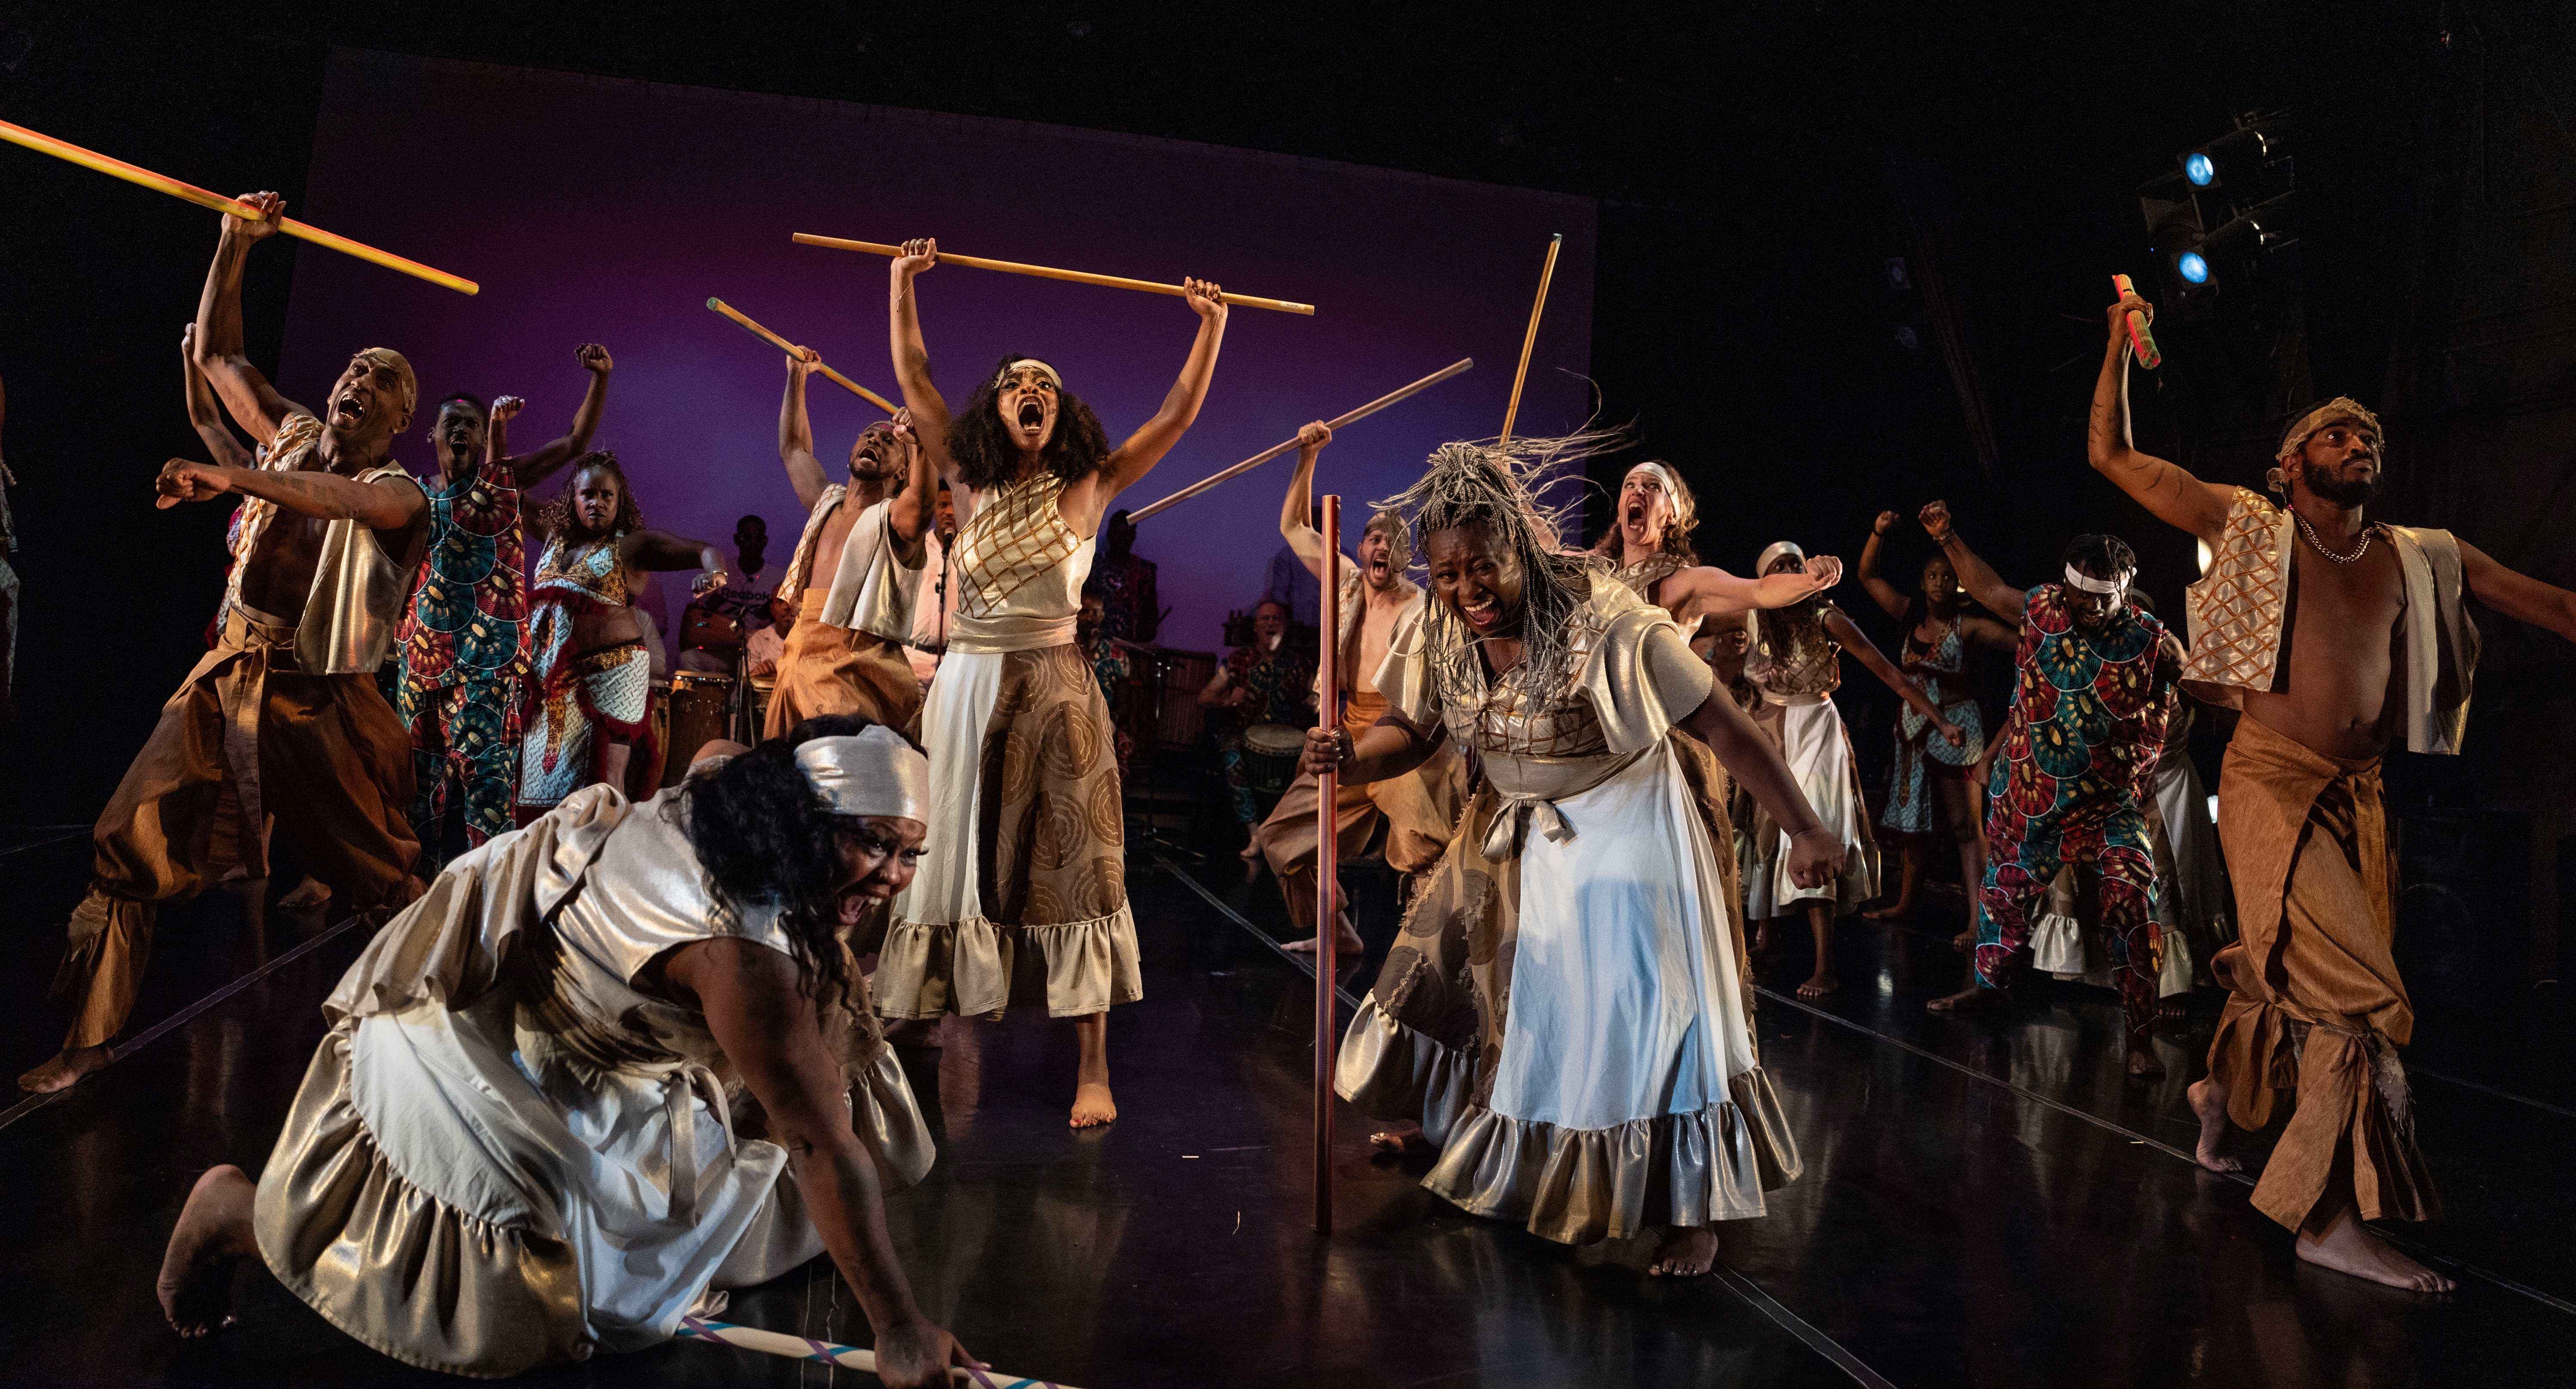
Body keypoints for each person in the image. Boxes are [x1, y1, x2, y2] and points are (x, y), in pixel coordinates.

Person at [153, 717, 970, 1386]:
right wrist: (898, 1330)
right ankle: (239, 1216)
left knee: (707, 1236)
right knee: (505, 1304)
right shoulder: (743, 961)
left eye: (909, 854)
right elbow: (818, 1143)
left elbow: (718, 750)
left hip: (606, 1053)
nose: (894, 876)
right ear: (800, 819)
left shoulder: (738, 789)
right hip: (490, 1037)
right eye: (871, 843)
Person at [2086, 290, 2576, 1291]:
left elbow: (2551, 603)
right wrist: (2114, 352)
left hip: (2356, 794)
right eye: (2337, 431)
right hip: (2267, 783)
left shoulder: (2417, 555)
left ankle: (2216, 1102)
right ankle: (2327, 1219)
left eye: (2368, 435)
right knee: (2359, 999)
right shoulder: (2250, 524)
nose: (2359, 442)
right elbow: (2116, 459)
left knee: (2288, 978)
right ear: (2288, 465)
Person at [1320, 434, 1838, 1277]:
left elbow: (1722, 725)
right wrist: (1350, 755)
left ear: (1517, 545)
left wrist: (1807, 827)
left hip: (1631, 818)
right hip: (1527, 823)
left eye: (1481, 568)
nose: (1467, 591)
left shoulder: (1607, 615)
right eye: (1448, 575)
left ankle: (1688, 1211)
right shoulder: (1441, 625)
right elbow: (1408, 732)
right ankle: (1487, 1150)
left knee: (1647, 1017)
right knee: (1528, 1009)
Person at [23, 192, 430, 1094]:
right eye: (356, 369)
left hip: (315, 702)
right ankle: (88, 1044)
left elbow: (338, 505)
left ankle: (445, 1046)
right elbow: (218, 355)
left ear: (401, 419)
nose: (360, 381)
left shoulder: (402, 493)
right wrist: (232, 244)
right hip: (225, 674)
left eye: (383, 381)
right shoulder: (291, 435)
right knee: (129, 834)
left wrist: (225, 471)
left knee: (383, 880)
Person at [872, 236, 1228, 1128]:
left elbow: (1177, 414)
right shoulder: (967, 476)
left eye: (1045, 383)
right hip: (968, 690)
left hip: (1059, 689)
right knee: (950, 856)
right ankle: (919, 1014)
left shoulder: (1094, 484)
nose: (1031, 389)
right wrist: (900, 282)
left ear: (1060, 410)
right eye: (1015, 382)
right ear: (996, 409)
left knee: (1075, 867)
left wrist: (1211, 326)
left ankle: (1093, 1068)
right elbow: (915, 377)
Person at [1921, 519, 2183, 1077]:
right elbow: (1989, 589)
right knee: (2003, 899)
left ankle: (2140, 1036)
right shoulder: (2043, 609)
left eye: (2100, 600)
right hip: (2031, 797)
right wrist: (1948, 537)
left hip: (2107, 806)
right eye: (2078, 596)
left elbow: (2198, 684)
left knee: (2136, 903)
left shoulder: (2152, 641)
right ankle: (1990, 989)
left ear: (2126, 586)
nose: (2086, 609)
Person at [395, 345, 614, 860]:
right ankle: (413, 906)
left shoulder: (503, 481)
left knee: (488, 800)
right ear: (432, 434)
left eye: (471, 424)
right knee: (415, 798)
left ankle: (484, 910)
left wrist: (599, 378)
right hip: (419, 663)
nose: (461, 431)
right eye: (451, 422)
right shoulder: (409, 493)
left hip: (487, 670)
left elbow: (576, 440)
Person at [1249, 423, 1461, 954]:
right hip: (1342, 735)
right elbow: (1293, 524)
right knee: (1283, 840)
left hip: (1400, 738)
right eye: (1374, 536)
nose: (1382, 544)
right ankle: (1339, 937)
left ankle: (1430, 954)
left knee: (1422, 846)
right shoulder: (1345, 583)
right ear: (1361, 546)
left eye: (1394, 538)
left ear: (1408, 554)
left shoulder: (1422, 607)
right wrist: (1307, 458)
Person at [1742, 541, 1957, 997]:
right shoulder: (1754, 617)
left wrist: (1939, 719)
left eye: (1794, 565)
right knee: (1767, 827)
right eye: (1776, 567)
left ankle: (1825, 965)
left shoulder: (1826, 618)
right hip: (1772, 730)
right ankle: (1767, 934)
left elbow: (1889, 672)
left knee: (1815, 825)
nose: (1787, 572)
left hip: (1816, 729)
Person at [515, 451, 729, 824]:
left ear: (620, 500)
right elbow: (502, 486)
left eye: (607, 496)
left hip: (613, 674)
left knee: (605, 781)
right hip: (553, 676)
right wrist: (499, 434)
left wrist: (715, 575)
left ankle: (608, 863)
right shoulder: (554, 537)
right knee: (545, 778)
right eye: (588, 494)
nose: (597, 502)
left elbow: (702, 550)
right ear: (574, 498)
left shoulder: (631, 545)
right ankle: (548, 862)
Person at [1856, 504, 2016, 945]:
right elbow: (1868, 577)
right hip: (1912, 729)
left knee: (1967, 826)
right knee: (1912, 821)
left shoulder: (1970, 626)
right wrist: (1878, 531)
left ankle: (1977, 918)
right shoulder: (1910, 616)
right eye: (1933, 576)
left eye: (1949, 576)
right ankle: (1907, 901)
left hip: (1960, 729)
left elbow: (2022, 640)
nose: (1941, 582)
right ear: (1923, 582)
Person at [765, 349, 936, 739]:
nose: (875, 440)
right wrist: (797, 376)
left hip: (852, 664)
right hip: (799, 650)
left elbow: (924, 503)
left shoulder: (894, 518)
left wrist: (921, 445)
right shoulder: (827, 502)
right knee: (781, 778)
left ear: (903, 468)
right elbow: (794, 448)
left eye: (888, 441)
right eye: (869, 435)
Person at [1201, 597, 1316, 831]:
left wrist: (1315, 700)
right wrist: (1227, 701)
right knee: (1232, 758)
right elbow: (1205, 697)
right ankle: (1254, 833)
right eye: (1265, 619)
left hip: (1292, 739)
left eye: (1277, 619)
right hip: (1242, 734)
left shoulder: (1301, 664)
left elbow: (1319, 697)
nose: (1271, 623)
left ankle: (1292, 833)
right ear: (1256, 626)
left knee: (1317, 762)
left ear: (1285, 626)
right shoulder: (1237, 661)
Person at [675, 516, 774, 674]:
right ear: (737, 540)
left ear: (765, 542)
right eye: (747, 538)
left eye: (758, 539)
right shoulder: (720, 571)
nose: (753, 544)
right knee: (688, 658)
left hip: (761, 652)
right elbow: (699, 622)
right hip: (724, 647)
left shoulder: (777, 577)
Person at [1084, 507, 1159, 644]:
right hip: (1095, 642)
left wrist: (1146, 635)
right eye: (1117, 533)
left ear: (1133, 537)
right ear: (1109, 535)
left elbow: (1151, 612)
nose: (1122, 539)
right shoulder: (1093, 564)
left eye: (1127, 534)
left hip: (1131, 645)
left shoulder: (1145, 570)